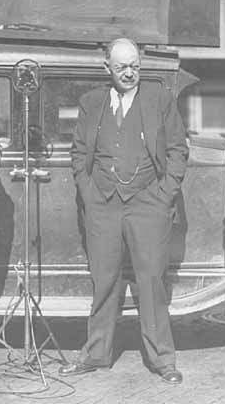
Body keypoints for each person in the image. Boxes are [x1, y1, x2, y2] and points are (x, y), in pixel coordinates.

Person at [62, 38, 189, 383]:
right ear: (107, 68)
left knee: (151, 282)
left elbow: (178, 150)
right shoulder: (91, 102)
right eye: (121, 67)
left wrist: (163, 195)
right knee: (104, 281)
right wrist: (89, 194)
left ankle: (163, 359)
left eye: (134, 65)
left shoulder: (160, 100)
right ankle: (97, 353)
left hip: (148, 205)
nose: (130, 73)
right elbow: (78, 153)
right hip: (102, 206)